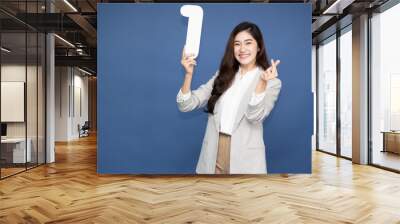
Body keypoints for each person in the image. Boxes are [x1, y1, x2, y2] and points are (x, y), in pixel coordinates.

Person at [176, 21, 282, 174]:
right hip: (213, 152)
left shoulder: (272, 82)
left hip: (245, 158)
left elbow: (255, 117)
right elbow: (185, 105)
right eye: (237, 44)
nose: (242, 49)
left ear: (259, 47)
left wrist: (262, 84)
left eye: (248, 43)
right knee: (212, 197)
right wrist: (188, 75)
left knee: (240, 198)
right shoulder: (222, 75)